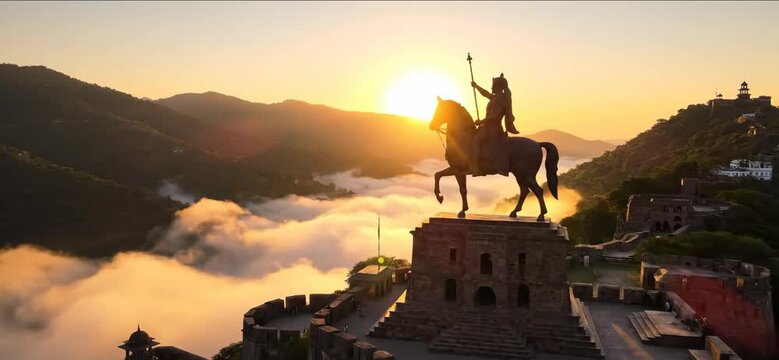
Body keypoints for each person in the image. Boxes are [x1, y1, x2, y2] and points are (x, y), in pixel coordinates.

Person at [470, 73, 518, 175]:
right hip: (489, 126)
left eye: (493, 85)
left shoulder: (499, 100)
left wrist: (481, 121)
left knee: (475, 141)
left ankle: (476, 168)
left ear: (498, 87)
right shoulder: (496, 97)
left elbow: (494, 116)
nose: (491, 87)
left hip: (492, 128)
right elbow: (485, 93)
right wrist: (476, 86)